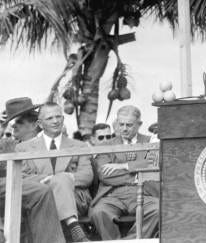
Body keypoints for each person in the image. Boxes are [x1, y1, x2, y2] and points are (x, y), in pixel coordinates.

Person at [16, 103, 92, 242]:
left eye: (58, 117)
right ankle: (74, 226)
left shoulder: (79, 146)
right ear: (40, 123)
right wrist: (51, 179)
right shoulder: (23, 148)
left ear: (63, 119)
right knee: (56, 184)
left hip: (75, 197)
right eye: (50, 118)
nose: (56, 121)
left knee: (62, 179)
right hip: (40, 198)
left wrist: (61, 179)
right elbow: (21, 178)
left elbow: (87, 176)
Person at [0, 98, 66, 243]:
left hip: (55, 200)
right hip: (14, 202)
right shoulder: (8, 146)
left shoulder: (55, 143)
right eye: (12, 123)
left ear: (35, 124)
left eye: (19, 122)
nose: (13, 127)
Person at [89, 105, 159, 240]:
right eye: (121, 124)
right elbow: (105, 174)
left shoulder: (150, 142)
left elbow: (153, 165)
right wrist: (136, 176)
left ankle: (130, 242)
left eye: (129, 125)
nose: (124, 128)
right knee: (99, 212)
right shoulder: (106, 145)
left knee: (157, 209)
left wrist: (125, 166)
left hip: (143, 192)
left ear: (139, 124)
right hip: (113, 195)